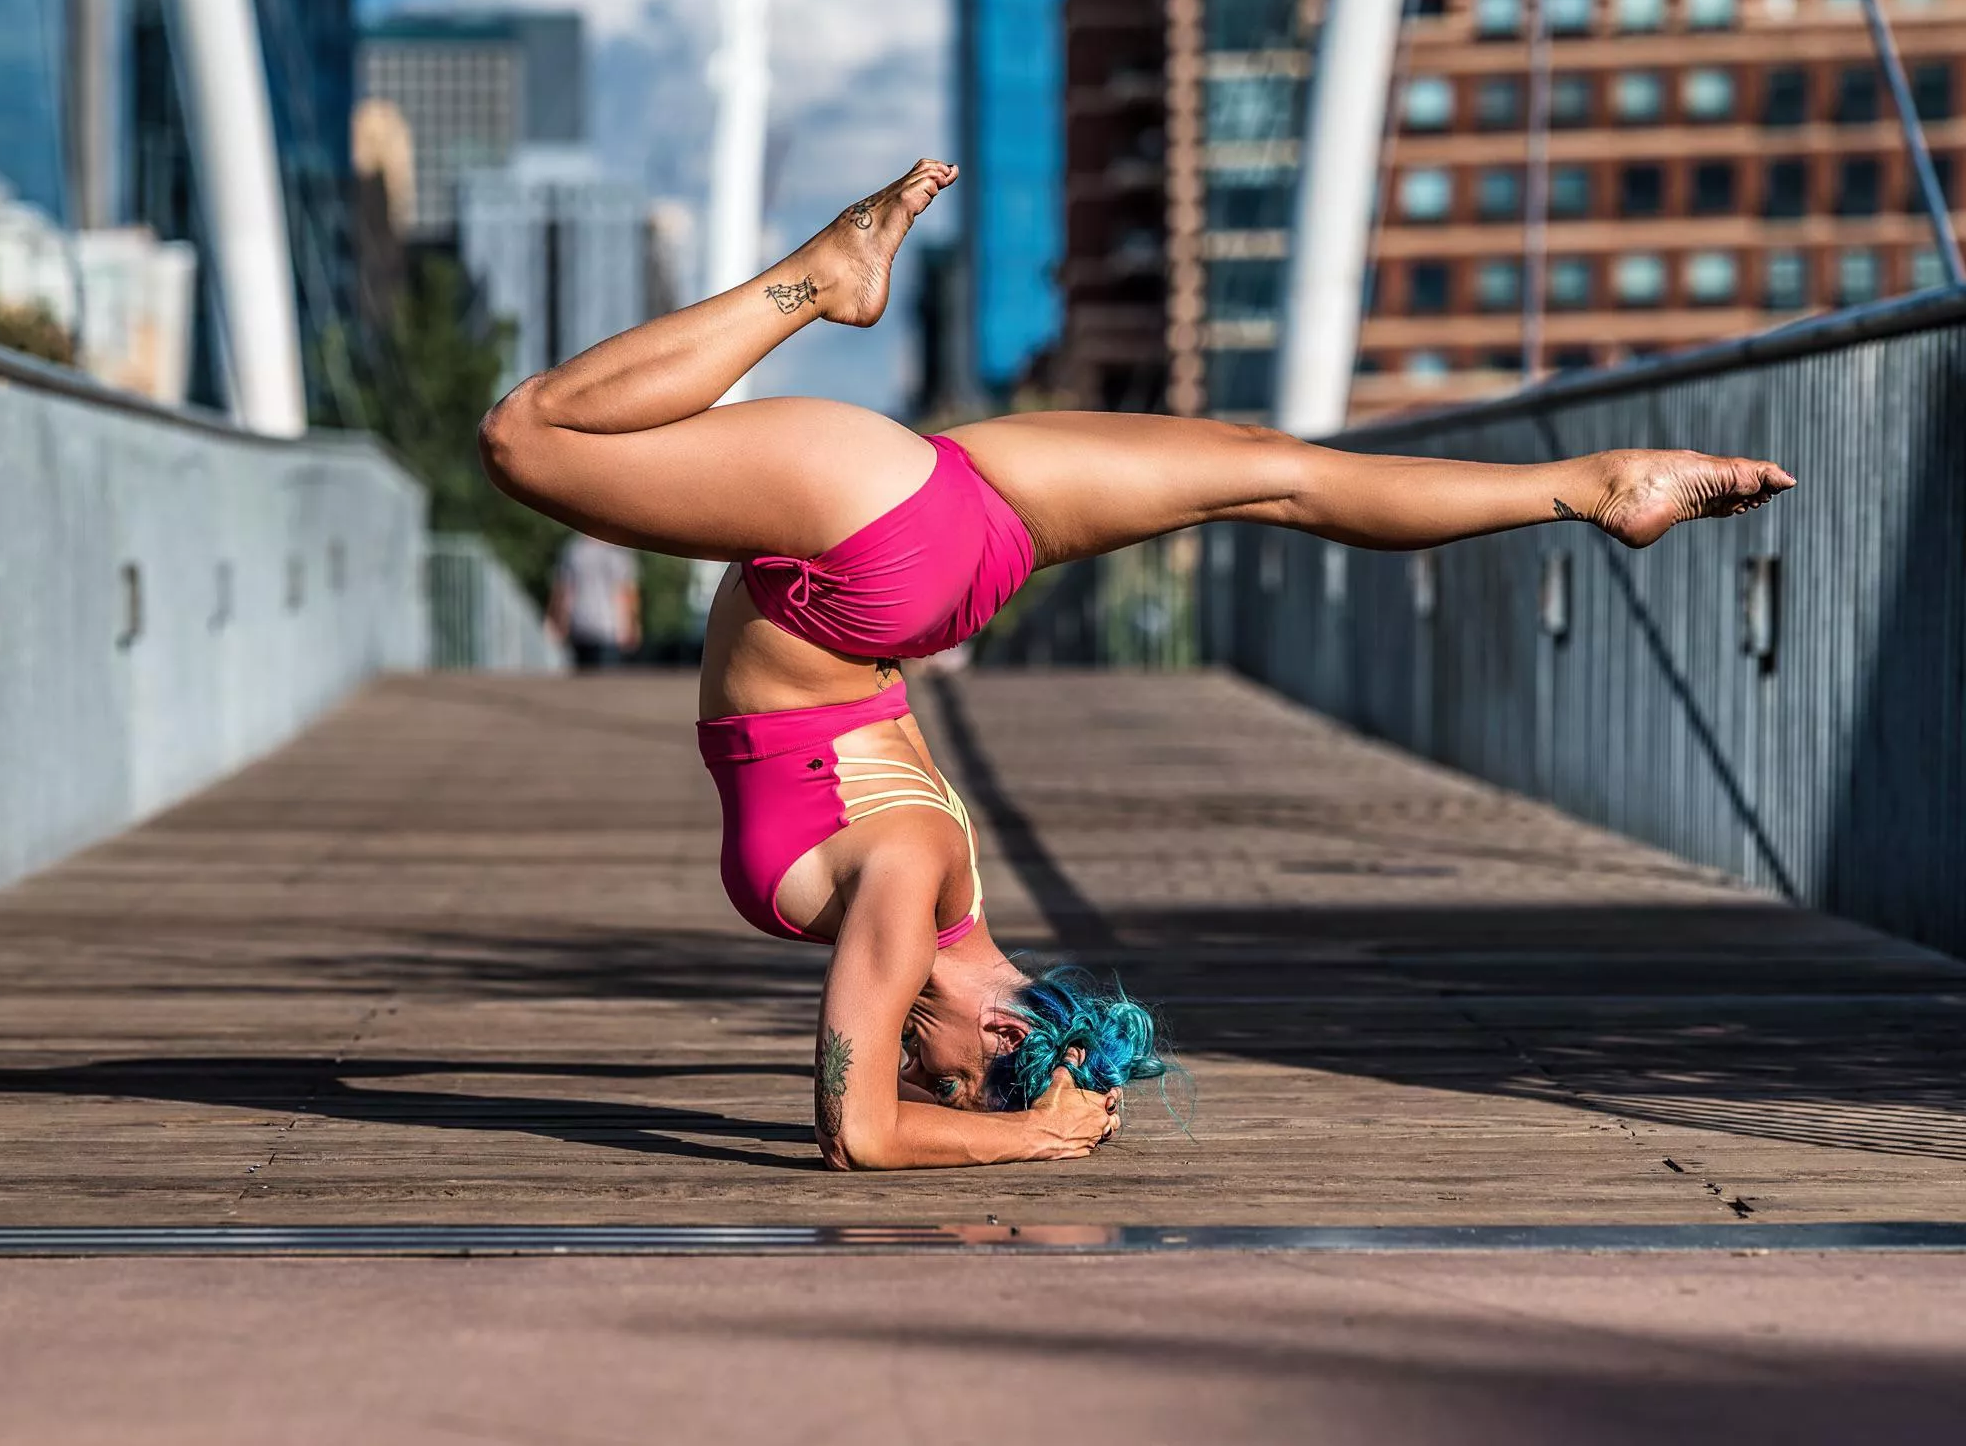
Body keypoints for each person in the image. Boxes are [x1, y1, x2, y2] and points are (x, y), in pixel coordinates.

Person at [479, 159, 1795, 1171]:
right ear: (991, 1032)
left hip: (945, 553)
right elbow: (857, 1129)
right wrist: (1028, 1135)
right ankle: (819, 281)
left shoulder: (950, 874)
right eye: (936, 1062)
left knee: (1281, 473)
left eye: (916, 1063)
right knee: (528, 436)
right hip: (867, 554)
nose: (903, 1048)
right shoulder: (906, 886)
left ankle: (1589, 484)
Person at [548, 532, 642, 670]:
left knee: (582, 683)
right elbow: (627, 591)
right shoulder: (619, 551)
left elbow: (564, 591)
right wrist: (633, 625)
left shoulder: (573, 548)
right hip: (609, 628)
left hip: (581, 625)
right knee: (607, 684)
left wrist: (559, 622)